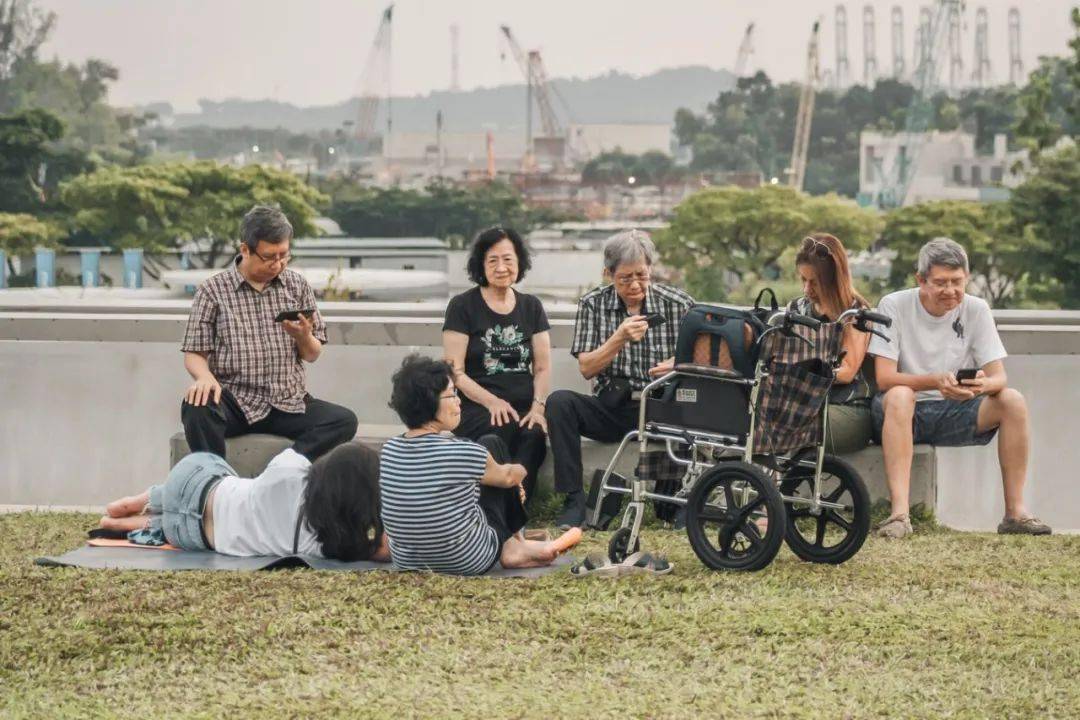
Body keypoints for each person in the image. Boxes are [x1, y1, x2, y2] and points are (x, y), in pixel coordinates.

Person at [869, 237, 1051, 538]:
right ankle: (899, 515)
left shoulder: (976, 309)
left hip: (955, 408)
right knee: (901, 395)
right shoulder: (894, 305)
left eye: (957, 281)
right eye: (941, 283)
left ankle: (1015, 514)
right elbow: (885, 379)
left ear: (967, 277)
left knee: (1013, 400)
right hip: (901, 413)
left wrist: (980, 386)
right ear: (921, 279)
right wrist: (935, 380)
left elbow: (998, 377)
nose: (950, 291)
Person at [180, 204, 358, 462]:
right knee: (196, 406)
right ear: (245, 250)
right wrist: (204, 376)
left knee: (343, 421)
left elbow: (312, 354)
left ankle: (282, 468)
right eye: (269, 256)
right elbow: (194, 353)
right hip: (235, 401)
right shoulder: (212, 291)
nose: (278, 264)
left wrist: (303, 336)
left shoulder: (296, 286)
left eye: (284, 255)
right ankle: (215, 482)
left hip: (288, 401)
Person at [379, 354, 582, 575]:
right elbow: (508, 477)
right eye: (451, 395)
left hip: (407, 561)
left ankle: (516, 543)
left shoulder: (389, 450)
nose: (458, 401)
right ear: (430, 402)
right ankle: (513, 546)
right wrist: (520, 473)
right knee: (492, 443)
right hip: (466, 559)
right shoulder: (464, 451)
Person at [546, 230, 694, 529]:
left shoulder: (678, 303)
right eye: (625, 278)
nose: (635, 285)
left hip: (661, 406)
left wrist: (679, 364)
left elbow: (709, 353)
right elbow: (587, 367)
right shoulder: (593, 304)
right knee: (560, 403)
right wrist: (619, 338)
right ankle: (574, 499)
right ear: (608, 274)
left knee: (693, 404)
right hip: (614, 406)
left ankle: (677, 502)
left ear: (651, 269)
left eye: (641, 275)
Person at [99, 441, 390, 561]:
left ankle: (140, 500)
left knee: (222, 481)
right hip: (190, 536)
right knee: (173, 523)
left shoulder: (290, 473)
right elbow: (389, 550)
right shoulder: (323, 547)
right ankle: (128, 523)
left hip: (192, 481)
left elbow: (288, 459)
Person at [442, 226, 550, 504]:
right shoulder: (462, 306)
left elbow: (541, 367)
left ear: (519, 263)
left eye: (508, 259)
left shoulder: (531, 307)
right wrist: (492, 402)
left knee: (534, 433)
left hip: (524, 405)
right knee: (500, 428)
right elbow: (455, 371)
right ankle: (499, 502)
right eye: (493, 260)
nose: (501, 267)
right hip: (477, 406)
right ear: (481, 265)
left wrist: (538, 407)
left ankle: (518, 499)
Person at [789, 233, 875, 455]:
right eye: (803, 280)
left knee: (786, 425)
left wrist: (802, 374)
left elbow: (847, 372)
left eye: (814, 283)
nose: (807, 290)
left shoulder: (856, 313)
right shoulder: (797, 309)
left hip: (847, 409)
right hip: (804, 404)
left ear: (832, 280)